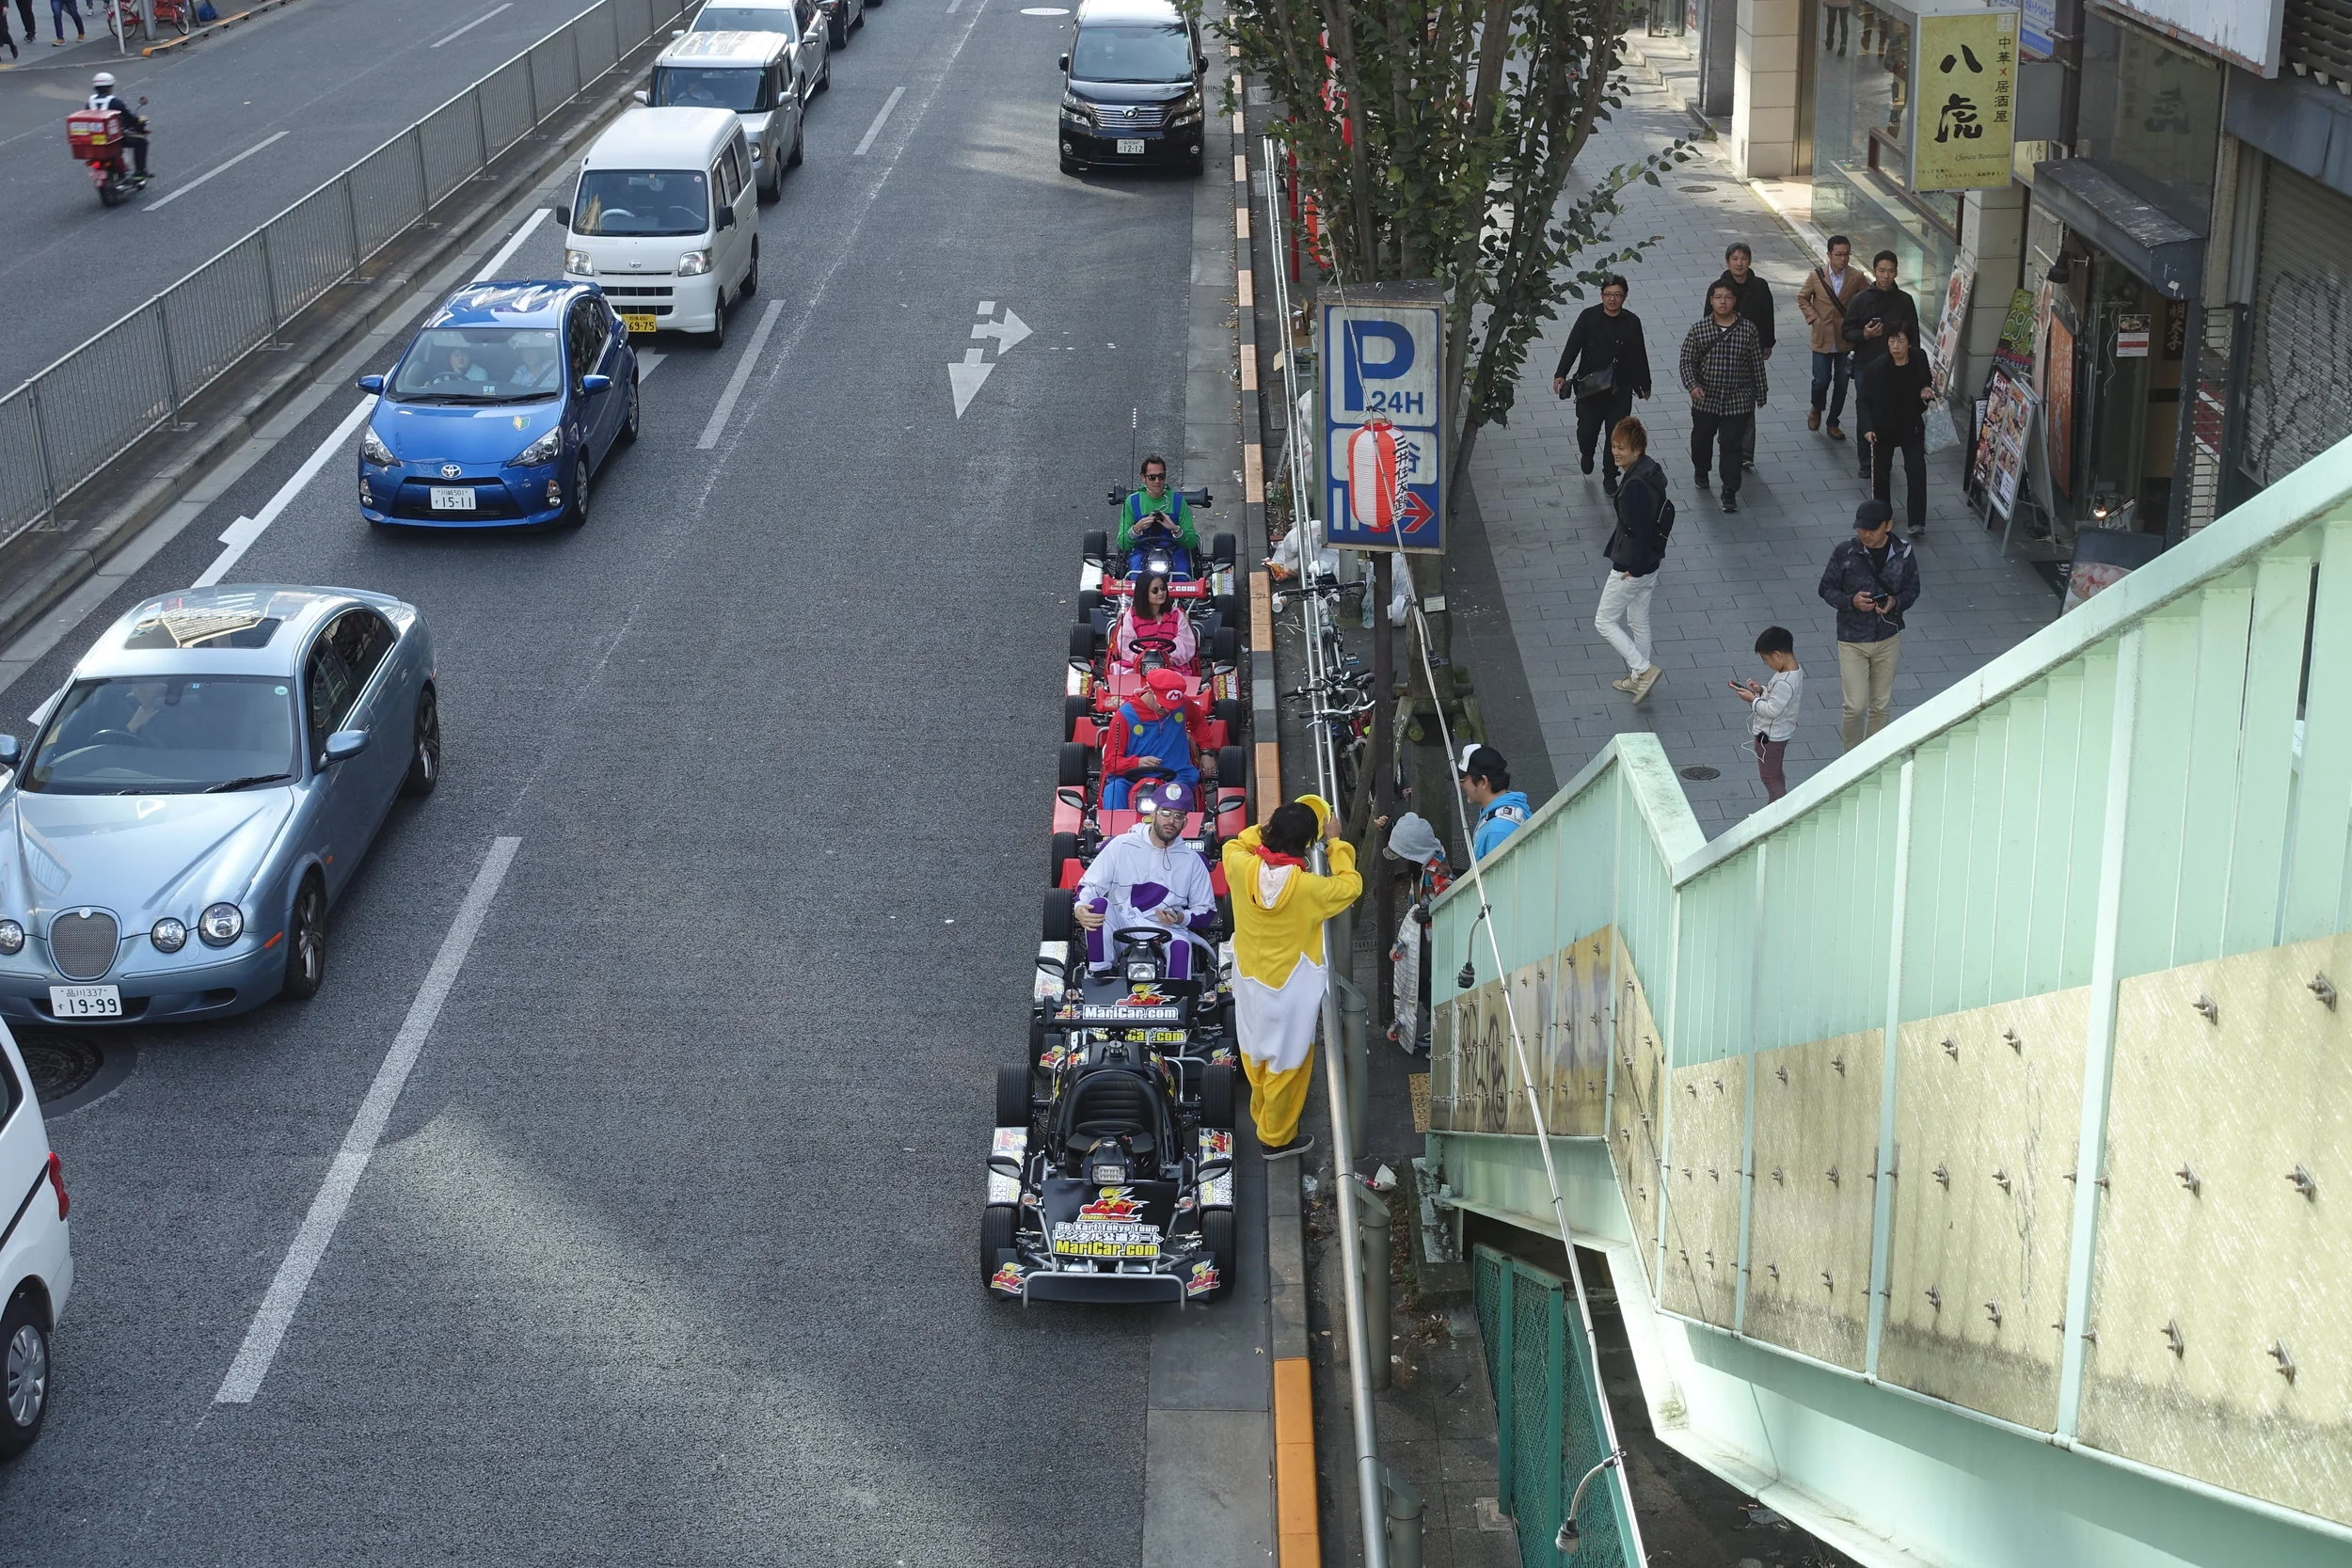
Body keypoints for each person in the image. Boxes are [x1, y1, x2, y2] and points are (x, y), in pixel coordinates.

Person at [1223, 797, 1362, 1159]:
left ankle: (1261, 1114)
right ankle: (1276, 1138)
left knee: (1254, 1052)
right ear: (1305, 845)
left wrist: (1270, 828)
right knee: (1289, 1064)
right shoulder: (1309, 889)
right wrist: (1335, 843)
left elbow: (1238, 841)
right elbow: (1350, 886)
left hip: (1250, 980)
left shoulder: (1240, 865)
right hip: (1290, 988)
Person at [1074, 780, 1218, 979]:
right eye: (1166, 814)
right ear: (1153, 815)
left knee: (1180, 946)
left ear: (1185, 822)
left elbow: (1206, 911)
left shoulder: (1193, 861)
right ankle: (1100, 977)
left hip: (1166, 928)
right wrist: (1080, 907)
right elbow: (1090, 886)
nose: (1171, 821)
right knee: (1096, 905)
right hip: (1123, 920)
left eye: (1178, 816)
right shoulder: (1120, 845)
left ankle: (1175, 1003)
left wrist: (1179, 917)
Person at [1817, 500, 1919, 751]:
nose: (1866, 535)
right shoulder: (1845, 552)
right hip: (1852, 640)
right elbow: (1826, 588)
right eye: (1862, 529)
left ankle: (1872, 757)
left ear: (1889, 526)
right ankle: (1850, 757)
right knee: (1855, 706)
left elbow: (1913, 589)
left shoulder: (1903, 552)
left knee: (1881, 705)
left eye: (1873, 529)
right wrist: (1851, 601)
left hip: (1887, 637)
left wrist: (1895, 602)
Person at [1550, 275, 1652, 499]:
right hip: (1590, 388)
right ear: (1601, 295)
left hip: (1620, 387)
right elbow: (1573, 345)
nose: (1612, 299)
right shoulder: (1588, 317)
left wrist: (1645, 384)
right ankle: (1587, 453)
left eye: (1617, 295)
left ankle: (1610, 475)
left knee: (1615, 435)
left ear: (1624, 297)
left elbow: (1639, 354)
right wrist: (1561, 373)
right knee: (1587, 431)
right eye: (1608, 294)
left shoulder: (1631, 322)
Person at [1595, 415, 1670, 702]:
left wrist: (1634, 569)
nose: (1615, 452)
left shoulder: (1635, 485)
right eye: (1614, 445)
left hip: (1633, 565)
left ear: (1636, 450)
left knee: (1604, 621)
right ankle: (1640, 679)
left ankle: (1643, 669)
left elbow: (1639, 528)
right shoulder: (1650, 471)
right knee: (1639, 620)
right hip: (1652, 561)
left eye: (1622, 447)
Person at [1679, 281, 1769, 513]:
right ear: (1711, 301)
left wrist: (1760, 392)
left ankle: (1729, 490)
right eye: (1718, 297)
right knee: (1701, 440)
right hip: (1705, 399)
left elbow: (1755, 364)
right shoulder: (1699, 329)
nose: (1722, 301)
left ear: (1734, 301)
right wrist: (1693, 386)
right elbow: (1687, 362)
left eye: (1727, 297)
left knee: (1731, 447)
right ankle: (1701, 469)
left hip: (1737, 400)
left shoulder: (1748, 329)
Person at [1842, 251, 1919, 483]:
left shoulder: (1905, 300)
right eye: (1882, 271)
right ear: (1874, 271)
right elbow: (1847, 332)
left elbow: (1913, 335)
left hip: (1897, 366)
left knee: (1894, 411)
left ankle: (1885, 454)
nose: (1886, 276)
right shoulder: (1861, 299)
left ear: (1896, 272)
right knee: (1866, 410)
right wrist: (1864, 334)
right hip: (1867, 364)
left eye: (1891, 271)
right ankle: (1866, 461)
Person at [1379, 811, 1451, 1055]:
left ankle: (1440, 1032)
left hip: (1434, 937)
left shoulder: (1436, 871)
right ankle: (1436, 1026)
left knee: (1432, 985)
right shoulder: (1427, 856)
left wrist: (1431, 910)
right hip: (1425, 935)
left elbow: (1451, 899)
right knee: (1424, 982)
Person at [1702, 244, 1775, 471]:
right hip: (1722, 353)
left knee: (1746, 402)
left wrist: (1767, 342)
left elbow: (1768, 315)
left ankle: (1745, 451)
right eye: (1735, 258)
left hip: (1749, 351)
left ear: (1750, 261)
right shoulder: (1719, 288)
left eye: (1743, 258)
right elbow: (1707, 317)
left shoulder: (1760, 286)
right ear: (1727, 262)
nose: (1739, 262)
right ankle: (1727, 440)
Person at [1861, 325, 1936, 537]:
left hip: (1911, 425)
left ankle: (1917, 521)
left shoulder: (1919, 358)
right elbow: (1864, 402)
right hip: (1883, 428)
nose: (1895, 346)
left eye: (1900, 342)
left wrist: (1925, 389)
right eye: (1892, 341)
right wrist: (1867, 428)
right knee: (1881, 475)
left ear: (1909, 344)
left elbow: (1925, 380)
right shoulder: (1875, 369)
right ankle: (1883, 515)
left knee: (1916, 472)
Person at [1098, 667, 1206, 810]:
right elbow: (1111, 762)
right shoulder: (1123, 717)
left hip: (1176, 775)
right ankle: (1114, 833)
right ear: (1150, 690)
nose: (1169, 710)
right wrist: (1137, 762)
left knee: (1179, 804)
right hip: (1131, 777)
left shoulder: (1183, 704)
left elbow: (1199, 720)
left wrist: (1207, 750)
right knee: (1114, 792)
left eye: (1173, 706)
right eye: (1164, 705)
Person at [1796, 235, 1867, 439]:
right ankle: (1816, 407)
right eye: (1838, 255)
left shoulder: (1857, 277)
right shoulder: (1816, 276)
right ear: (1829, 255)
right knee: (1821, 380)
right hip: (1822, 337)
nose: (1843, 259)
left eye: (1846, 255)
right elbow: (1802, 297)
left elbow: (1867, 300)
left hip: (1845, 339)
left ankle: (1833, 421)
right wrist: (1813, 318)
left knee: (1842, 384)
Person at [1730, 626, 1804, 802]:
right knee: (1775, 772)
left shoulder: (1785, 682)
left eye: (1766, 659)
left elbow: (1772, 710)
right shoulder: (1793, 671)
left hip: (1771, 736)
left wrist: (1752, 699)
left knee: (1769, 777)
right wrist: (1760, 690)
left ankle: (1777, 810)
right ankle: (1778, 802)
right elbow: (1778, 699)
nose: (1766, 663)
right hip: (1780, 732)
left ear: (1777, 655)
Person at [1118, 454, 1199, 577]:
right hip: (1142, 550)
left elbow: (1192, 542)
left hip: (1174, 551)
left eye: (1161, 477)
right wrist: (1137, 528)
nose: (1157, 481)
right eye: (1152, 477)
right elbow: (1122, 542)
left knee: (1182, 575)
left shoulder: (1178, 501)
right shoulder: (1132, 502)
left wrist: (1174, 528)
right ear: (1143, 478)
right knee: (1135, 575)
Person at [1112, 572, 1198, 670]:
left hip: (1171, 667)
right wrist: (1144, 659)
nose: (1161, 593)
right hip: (1137, 667)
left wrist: (1168, 659)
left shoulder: (1176, 615)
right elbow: (1125, 644)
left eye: (1163, 588)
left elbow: (1185, 642)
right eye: (1155, 590)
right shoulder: (1131, 616)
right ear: (1144, 593)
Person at [1458, 745, 1530, 860]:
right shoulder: (1501, 809)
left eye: (1463, 780)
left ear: (1483, 782)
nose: (1461, 785)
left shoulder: (1497, 831)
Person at [87, 71, 149, 182]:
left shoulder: (89, 103)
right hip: (113, 139)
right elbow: (129, 118)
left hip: (95, 140)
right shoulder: (114, 102)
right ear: (110, 87)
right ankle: (140, 172)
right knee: (141, 142)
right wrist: (138, 121)